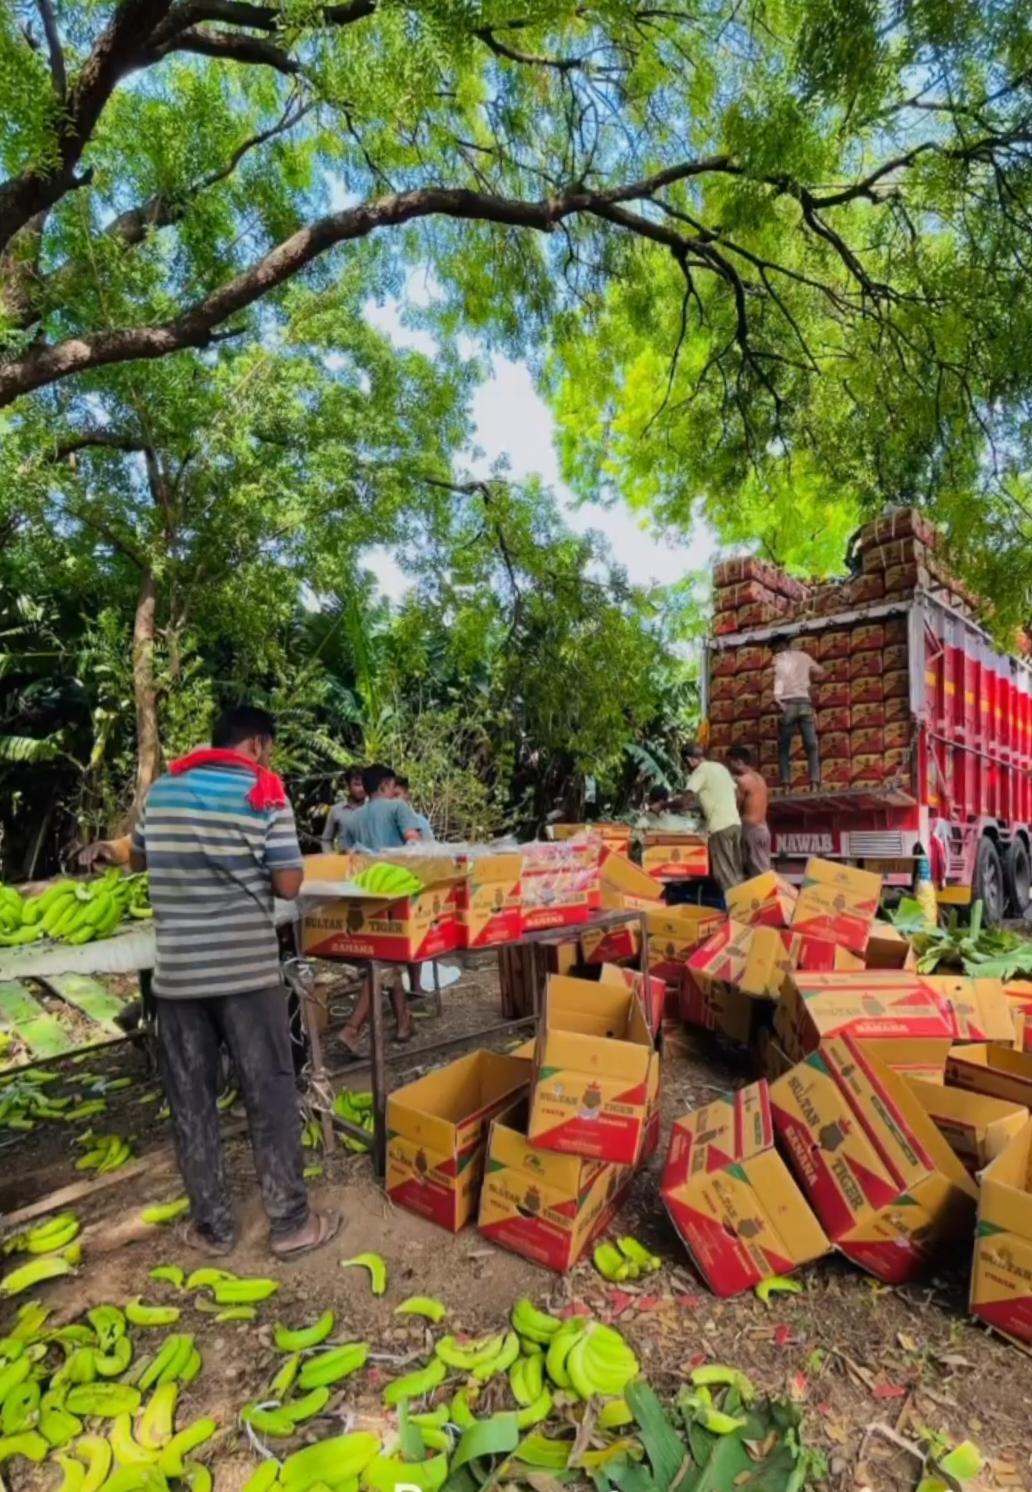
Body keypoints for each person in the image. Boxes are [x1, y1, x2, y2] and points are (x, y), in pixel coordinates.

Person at [130, 704, 338, 1260]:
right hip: (246, 971)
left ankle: (213, 1228)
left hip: (178, 977)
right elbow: (289, 884)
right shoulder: (263, 792)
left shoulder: (162, 791)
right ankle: (291, 1224)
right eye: (268, 749)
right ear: (258, 744)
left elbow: (138, 860)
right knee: (268, 1092)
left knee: (192, 1102)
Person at [338, 764, 426, 1058]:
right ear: (387, 785)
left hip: (366, 894)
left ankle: (404, 1023)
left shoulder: (354, 817)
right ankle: (352, 1028)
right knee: (383, 963)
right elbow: (414, 843)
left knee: (386, 959)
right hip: (397, 892)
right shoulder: (398, 807)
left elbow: (348, 854)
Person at [683, 742, 743, 892]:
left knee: (725, 875)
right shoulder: (720, 767)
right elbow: (737, 794)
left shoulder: (700, 771)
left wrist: (664, 805)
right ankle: (744, 903)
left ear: (689, 760)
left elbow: (686, 801)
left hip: (719, 828)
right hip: (735, 824)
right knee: (736, 873)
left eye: (686, 764)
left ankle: (735, 906)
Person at [772, 635, 823, 790]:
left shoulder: (779, 659)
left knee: (784, 748)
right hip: (805, 704)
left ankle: (786, 785)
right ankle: (814, 783)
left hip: (789, 704)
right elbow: (820, 671)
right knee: (811, 745)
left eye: (774, 649)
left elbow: (779, 679)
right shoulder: (804, 656)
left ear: (779, 646)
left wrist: (777, 700)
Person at [727, 745, 771, 877]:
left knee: (758, 874)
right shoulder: (760, 778)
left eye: (729, 763)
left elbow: (735, 806)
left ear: (738, 761)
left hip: (751, 830)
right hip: (763, 829)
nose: (728, 767)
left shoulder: (742, 781)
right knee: (762, 869)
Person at [320, 767, 366, 850]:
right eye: (357, 784)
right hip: (344, 857)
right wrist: (330, 855)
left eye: (364, 784)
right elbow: (326, 840)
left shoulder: (374, 809)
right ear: (348, 786)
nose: (361, 789)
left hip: (370, 857)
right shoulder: (336, 810)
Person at [393, 776, 434, 840]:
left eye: (396, 795)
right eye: (389, 797)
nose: (393, 800)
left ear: (407, 794)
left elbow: (430, 844)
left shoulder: (421, 822)